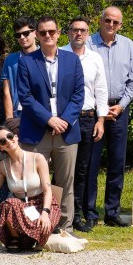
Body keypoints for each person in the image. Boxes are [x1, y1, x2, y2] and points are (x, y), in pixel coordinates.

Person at [13, 16, 85, 233]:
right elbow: (25, 97)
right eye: (43, 32)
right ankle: (34, 227)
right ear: (36, 34)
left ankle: (65, 227)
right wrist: (48, 119)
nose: (47, 36)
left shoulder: (72, 60)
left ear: (59, 32)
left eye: (51, 32)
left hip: (66, 132)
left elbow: (78, 95)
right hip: (37, 131)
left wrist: (63, 120)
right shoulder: (27, 62)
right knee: (34, 183)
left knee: (65, 183)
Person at [91, 7, 133, 227]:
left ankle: (112, 212)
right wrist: (99, 107)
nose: (111, 25)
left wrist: (120, 106)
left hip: (119, 110)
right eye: (107, 20)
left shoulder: (128, 45)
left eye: (115, 22)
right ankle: (89, 212)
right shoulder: (89, 44)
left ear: (121, 25)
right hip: (93, 112)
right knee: (91, 162)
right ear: (100, 20)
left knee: (117, 162)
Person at [67, 17, 109, 232]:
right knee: (64, 169)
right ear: (68, 33)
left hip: (87, 118)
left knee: (82, 169)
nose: (79, 34)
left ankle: (77, 216)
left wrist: (101, 119)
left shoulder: (95, 58)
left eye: (83, 30)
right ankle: (61, 214)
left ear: (88, 32)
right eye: (75, 30)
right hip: (65, 120)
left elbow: (101, 90)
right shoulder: (61, 55)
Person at [0, 127, 58, 250]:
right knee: (8, 204)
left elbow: (48, 190)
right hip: (21, 208)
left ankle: (37, 236)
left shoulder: (37, 158)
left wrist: (45, 213)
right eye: (2, 141)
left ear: (16, 136)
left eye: (10, 136)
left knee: (43, 229)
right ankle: (15, 237)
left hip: (43, 203)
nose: (8, 141)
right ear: (0, 147)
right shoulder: (2, 166)